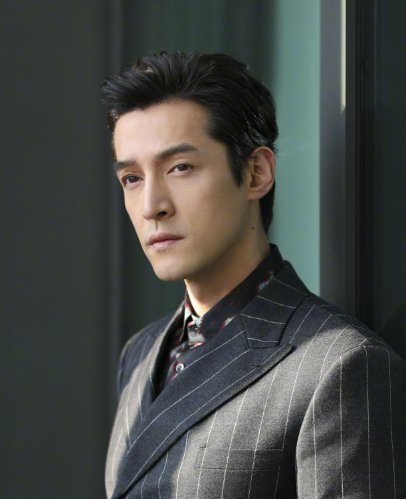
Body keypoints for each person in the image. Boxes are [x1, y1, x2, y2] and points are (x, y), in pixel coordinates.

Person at [101, 52, 405, 498]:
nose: (151, 206)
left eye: (180, 167)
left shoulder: (338, 365)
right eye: (132, 178)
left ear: (256, 173)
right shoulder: (142, 353)